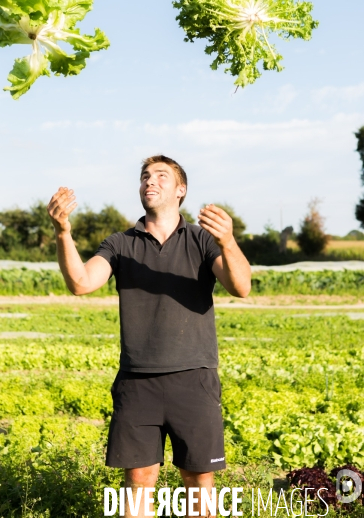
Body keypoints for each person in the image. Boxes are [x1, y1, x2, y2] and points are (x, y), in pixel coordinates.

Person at [47, 155, 251, 518]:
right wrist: (64, 233)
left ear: (181, 190)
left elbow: (241, 286)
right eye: (144, 177)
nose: (149, 182)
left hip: (194, 379)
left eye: (160, 176)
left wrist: (229, 241)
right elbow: (81, 282)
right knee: (139, 480)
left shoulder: (202, 241)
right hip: (137, 382)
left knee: (199, 482)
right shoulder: (120, 244)